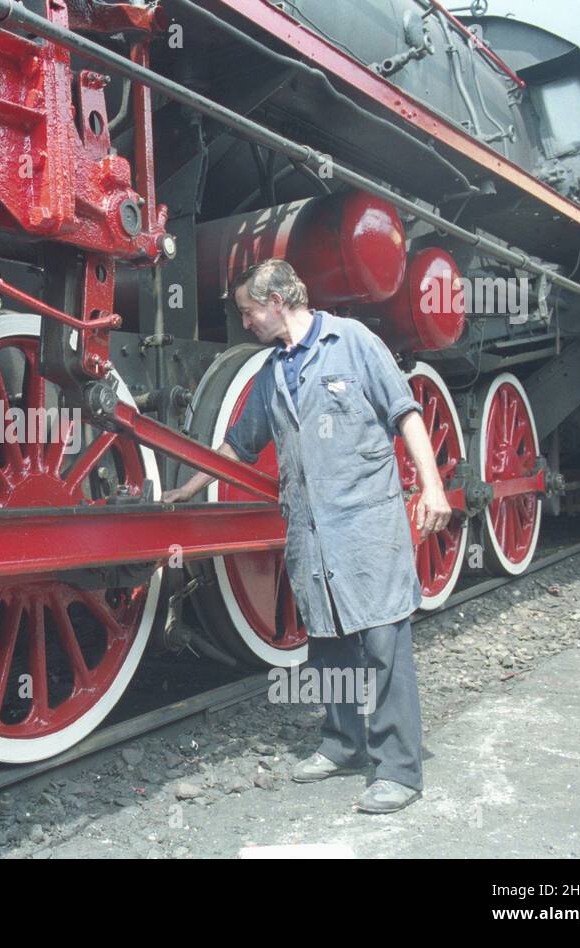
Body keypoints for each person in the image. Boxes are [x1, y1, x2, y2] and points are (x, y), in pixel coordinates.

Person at [162, 259, 452, 813]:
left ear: (277, 301)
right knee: (329, 643)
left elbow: (406, 413)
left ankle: (399, 770)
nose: (246, 322)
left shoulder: (355, 341)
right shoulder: (271, 371)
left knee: (384, 646)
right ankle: (343, 745)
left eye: (249, 311)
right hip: (311, 532)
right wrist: (187, 490)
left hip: (366, 524)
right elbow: (235, 448)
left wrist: (433, 488)